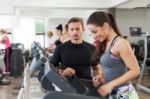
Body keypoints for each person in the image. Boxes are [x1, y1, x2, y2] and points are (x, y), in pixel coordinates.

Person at [87, 11, 140, 98]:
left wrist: (110, 85)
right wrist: (100, 77)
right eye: (91, 33)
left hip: (124, 93)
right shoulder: (104, 43)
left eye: (95, 31)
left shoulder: (120, 43)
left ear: (105, 26)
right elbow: (110, 68)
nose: (93, 36)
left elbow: (135, 71)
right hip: (112, 93)